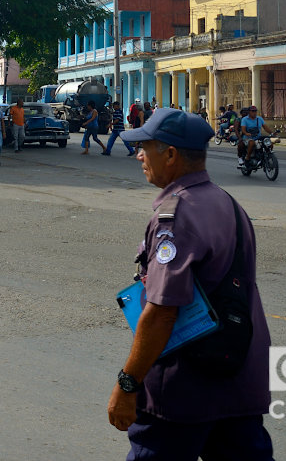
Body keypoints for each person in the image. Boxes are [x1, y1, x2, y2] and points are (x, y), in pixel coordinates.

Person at [109, 108, 273, 459]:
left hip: (186, 390)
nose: (139, 155)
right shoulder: (227, 203)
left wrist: (127, 383)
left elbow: (162, 311)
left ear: (170, 154)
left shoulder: (177, 215)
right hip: (239, 378)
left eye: (146, 147)